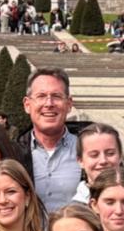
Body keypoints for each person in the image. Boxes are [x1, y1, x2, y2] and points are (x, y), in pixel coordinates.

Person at [12, 68, 86, 213]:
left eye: (56, 96)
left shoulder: (89, 151)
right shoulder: (11, 153)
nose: (49, 103)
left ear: (69, 104)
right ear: (27, 105)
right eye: (41, 96)